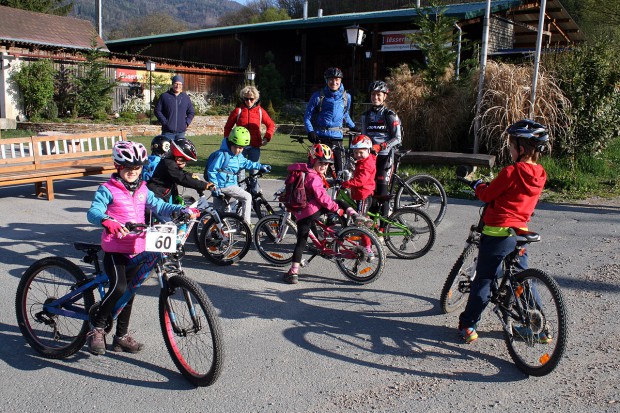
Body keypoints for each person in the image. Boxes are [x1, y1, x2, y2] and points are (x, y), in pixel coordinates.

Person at [86, 140, 197, 355]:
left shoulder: (143, 189)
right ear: (118, 166)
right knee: (119, 288)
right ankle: (97, 329)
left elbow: (160, 206)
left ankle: (120, 337)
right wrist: (108, 220)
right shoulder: (107, 189)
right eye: (128, 167)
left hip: (137, 248)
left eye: (137, 168)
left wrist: (182, 210)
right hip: (115, 249)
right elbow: (94, 211)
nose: (133, 172)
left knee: (131, 291)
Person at [458, 119, 549, 344]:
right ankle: (540, 328)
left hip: (498, 232)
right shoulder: (540, 173)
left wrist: (477, 184)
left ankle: (468, 325)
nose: (509, 149)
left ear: (521, 148)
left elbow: (488, 195)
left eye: (511, 145)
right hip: (519, 232)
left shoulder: (511, 171)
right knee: (523, 280)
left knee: (484, 279)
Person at [285, 143, 364, 285]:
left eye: (326, 164)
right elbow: (322, 198)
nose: (324, 167)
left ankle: (293, 272)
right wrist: (337, 210)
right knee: (337, 202)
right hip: (314, 210)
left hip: (303, 213)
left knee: (301, 242)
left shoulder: (303, 172)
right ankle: (354, 215)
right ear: (313, 160)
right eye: (321, 163)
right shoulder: (314, 177)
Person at [147, 137, 214, 239]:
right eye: (185, 160)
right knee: (167, 225)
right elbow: (181, 178)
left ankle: (174, 241)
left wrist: (191, 175)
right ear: (179, 157)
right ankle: (169, 247)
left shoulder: (169, 161)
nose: (185, 163)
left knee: (171, 221)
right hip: (157, 196)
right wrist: (203, 185)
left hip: (162, 194)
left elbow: (180, 173)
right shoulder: (168, 164)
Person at [204, 126, 271, 225]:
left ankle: (213, 233)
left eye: (241, 148)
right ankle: (246, 225)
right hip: (224, 186)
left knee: (218, 213)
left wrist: (260, 166)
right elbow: (212, 171)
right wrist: (215, 186)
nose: (238, 150)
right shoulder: (222, 155)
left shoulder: (238, 156)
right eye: (236, 147)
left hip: (227, 185)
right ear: (230, 143)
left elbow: (247, 163)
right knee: (247, 197)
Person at [360, 80, 402, 221]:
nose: (375, 97)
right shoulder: (365, 116)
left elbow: (397, 138)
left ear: (384, 96)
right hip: (370, 158)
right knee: (369, 191)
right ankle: (372, 225)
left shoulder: (390, 115)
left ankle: (383, 230)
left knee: (382, 191)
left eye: (379, 94)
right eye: (373, 94)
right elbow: (364, 137)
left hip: (385, 157)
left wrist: (381, 146)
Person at [223, 86, 275, 194]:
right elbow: (228, 127)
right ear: (243, 99)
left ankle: (254, 196)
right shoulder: (238, 111)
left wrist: (267, 138)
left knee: (254, 173)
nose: (249, 101)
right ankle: (240, 196)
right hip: (239, 148)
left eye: (251, 99)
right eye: (246, 99)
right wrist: (228, 142)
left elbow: (271, 125)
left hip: (254, 147)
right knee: (239, 174)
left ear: (256, 99)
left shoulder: (260, 112)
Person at [304, 67, 356, 174]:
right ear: (326, 80)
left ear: (341, 80)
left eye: (337, 79)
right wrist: (310, 131)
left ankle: (339, 189)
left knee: (341, 172)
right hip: (320, 136)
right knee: (315, 170)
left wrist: (353, 126)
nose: (334, 82)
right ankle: (314, 189)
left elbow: (345, 114)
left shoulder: (346, 97)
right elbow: (307, 117)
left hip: (337, 137)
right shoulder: (318, 96)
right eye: (331, 79)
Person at [340, 135, 377, 222]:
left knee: (360, 219)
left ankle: (365, 235)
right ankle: (371, 232)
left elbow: (361, 180)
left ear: (368, 150)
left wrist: (347, 183)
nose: (358, 155)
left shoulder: (367, 164)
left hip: (363, 195)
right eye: (356, 153)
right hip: (360, 193)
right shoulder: (364, 161)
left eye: (361, 152)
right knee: (365, 217)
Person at [154, 74, 195, 141]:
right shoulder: (164, 96)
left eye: (180, 84)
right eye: (176, 84)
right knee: (166, 151)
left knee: (179, 151)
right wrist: (165, 122)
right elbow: (157, 110)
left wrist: (187, 123)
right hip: (167, 132)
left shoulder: (185, 98)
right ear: (172, 84)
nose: (178, 86)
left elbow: (191, 112)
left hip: (181, 133)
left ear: (182, 86)